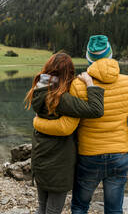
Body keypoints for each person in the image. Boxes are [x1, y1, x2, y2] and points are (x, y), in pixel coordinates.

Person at [33, 35, 128, 214]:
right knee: (114, 210)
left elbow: (66, 127)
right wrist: (126, 148)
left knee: (80, 207)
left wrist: (37, 122)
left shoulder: (78, 85)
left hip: (88, 156)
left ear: (89, 57)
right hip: (119, 155)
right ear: (110, 54)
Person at [25, 52, 105, 214]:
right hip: (58, 164)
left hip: (40, 157)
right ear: (67, 73)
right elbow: (96, 109)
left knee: (42, 206)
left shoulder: (39, 89)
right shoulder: (60, 98)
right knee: (53, 210)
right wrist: (90, 84)